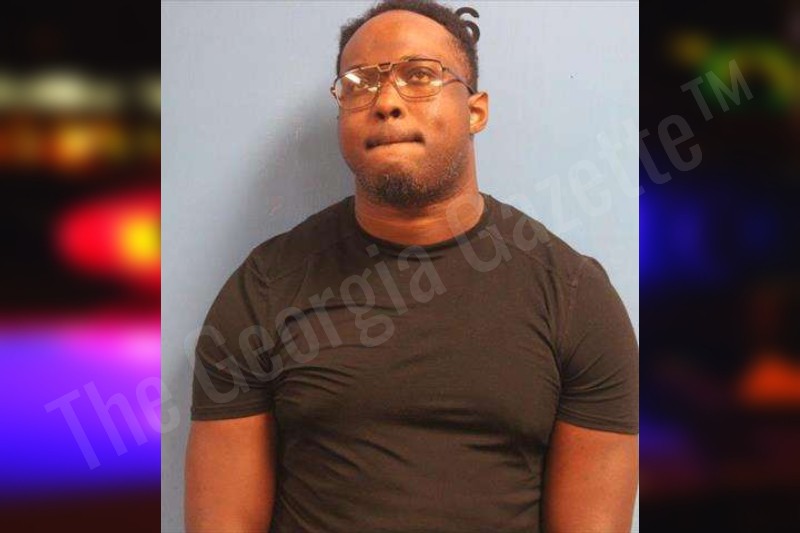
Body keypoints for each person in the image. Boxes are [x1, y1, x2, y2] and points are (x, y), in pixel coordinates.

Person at [184, 1, 639, 531]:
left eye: (419, 75)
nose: (386, 102)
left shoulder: (574, 297)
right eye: (359, 83)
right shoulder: (264, 289)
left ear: (476, 111)